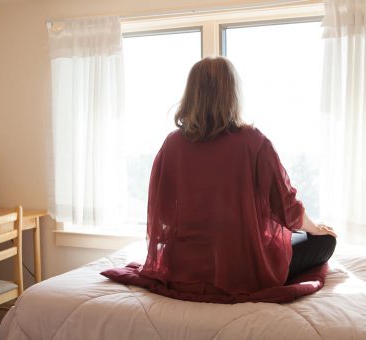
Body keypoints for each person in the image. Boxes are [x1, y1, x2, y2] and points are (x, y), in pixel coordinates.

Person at [139, 56, 336, 303]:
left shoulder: (171, 144)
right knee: (325, 241)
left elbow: (164, 214)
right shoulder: (254, 142)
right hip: (240, 266)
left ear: (191, 93)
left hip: (184, 267)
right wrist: (316, 229)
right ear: (232, 93)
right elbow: (286, 207)